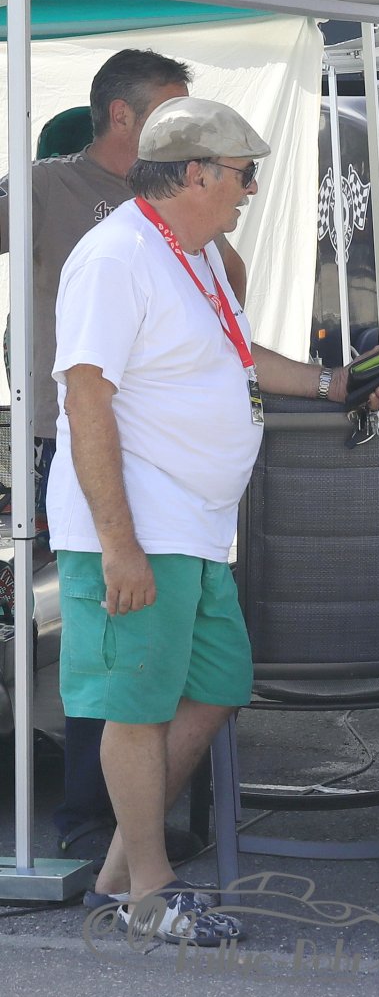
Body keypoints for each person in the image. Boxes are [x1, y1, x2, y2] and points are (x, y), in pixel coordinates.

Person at [51, 96, 379, 944]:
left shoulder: (195, 251)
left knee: (215, 689)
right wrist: (120, 545)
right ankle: (150, 889)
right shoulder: (117, 255)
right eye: (244, 175)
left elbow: (235, 358)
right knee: (136, 705)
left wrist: (331, 382)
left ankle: (119, 875)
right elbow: (85, 398)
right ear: (195, 172)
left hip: (195, 525)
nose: (250, 190)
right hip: (143, 526)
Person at [0, 49, 247, 868]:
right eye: (172, 110)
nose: (184, 123)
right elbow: (87, 393)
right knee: (112, 663)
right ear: (124, 118)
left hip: (178, 496)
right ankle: (95, 828)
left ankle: (125, 845)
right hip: (79, 442)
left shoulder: (183, 226)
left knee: (173, 673)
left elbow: (231, 313)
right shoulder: (54, 188)